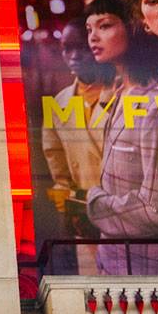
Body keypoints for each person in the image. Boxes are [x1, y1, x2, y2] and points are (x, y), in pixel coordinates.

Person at [80, 0, 158, 275]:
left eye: (105, 26)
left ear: (133, 28)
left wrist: (95, 206)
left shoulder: (152, 106)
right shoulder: (117, 94)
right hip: (111, 265)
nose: (94, 37)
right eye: (89, 29)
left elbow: (156, 209)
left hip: (146, 274)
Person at [40, 35, 115, 274]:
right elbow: (55, 159)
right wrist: (70, 209)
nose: (74, 55)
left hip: (126, 212)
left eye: (80, 47)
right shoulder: (59, 102)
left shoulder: (124, 92)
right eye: (66, 49)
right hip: (85, 216)